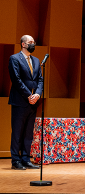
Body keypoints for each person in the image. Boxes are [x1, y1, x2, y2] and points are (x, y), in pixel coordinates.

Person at [8, 35, 43, 170]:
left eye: (34, 42)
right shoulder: (15, 58)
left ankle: (26, 159)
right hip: (20, 100)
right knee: (17, 132)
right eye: (30, 42)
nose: (33, 44)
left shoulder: (36, 60)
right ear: (23, 44)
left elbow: (40, 79)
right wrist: (29, 95)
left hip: (33, 102)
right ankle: (15, 160)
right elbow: (16, 79)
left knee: (29, 133)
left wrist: (37, 94)